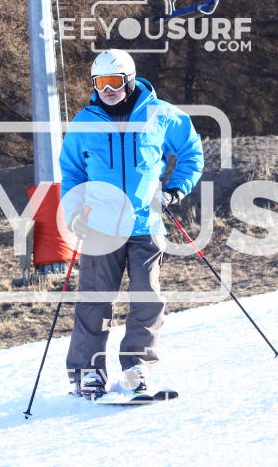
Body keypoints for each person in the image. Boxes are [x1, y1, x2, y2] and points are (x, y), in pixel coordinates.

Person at [59, 49, 204, 400]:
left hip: (145, 224)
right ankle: (88, 374)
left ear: (130, 79)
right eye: (100, 83)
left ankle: (137, 369)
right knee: (94, 302)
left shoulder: (161, 114)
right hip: (100, 227)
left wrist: (173, 190)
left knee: (147, 299)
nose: (107, 90)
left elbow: (191, 152)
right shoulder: (84, 122)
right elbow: (72, 173)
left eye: (114, 82)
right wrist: (74, 212)